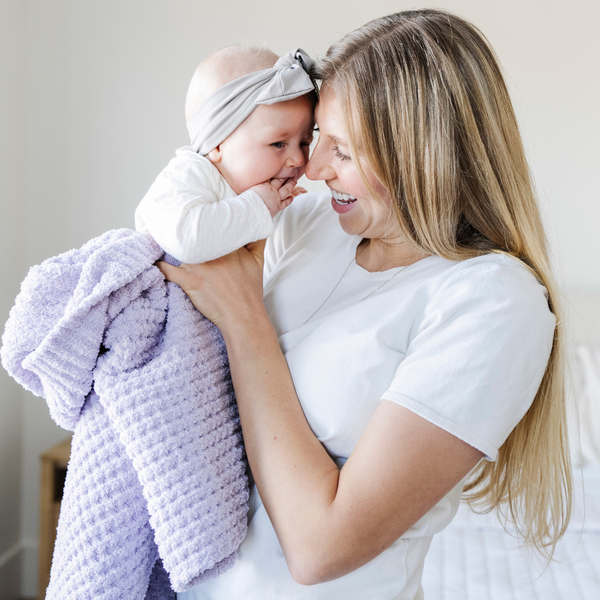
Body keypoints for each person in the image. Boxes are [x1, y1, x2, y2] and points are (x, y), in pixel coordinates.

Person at [160, 9, 573, 600]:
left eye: (345, 151)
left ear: (424, 157)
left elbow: (320, 548)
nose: (314, 167)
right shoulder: (310, 222)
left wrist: (245, 317)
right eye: (317, 137)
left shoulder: (492, 302)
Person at [135, 46, 315, 264]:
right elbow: (187, 240)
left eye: (305, 142)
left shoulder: (262, 197)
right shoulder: (188, 174)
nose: (299, 159)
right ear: (217, 144)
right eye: (278, 143)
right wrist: (258, 206)